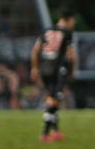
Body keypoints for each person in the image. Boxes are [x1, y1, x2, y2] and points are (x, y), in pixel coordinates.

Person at [30, 9, 77, 142]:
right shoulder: (67, 33)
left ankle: (56, 132)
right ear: (70, 19)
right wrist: (72, 71)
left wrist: (34, 67)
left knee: (52, 97)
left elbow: (35, 50)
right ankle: (44, 134)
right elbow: (71, 56)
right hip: (58, 69)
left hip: (44, 68)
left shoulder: (46, 30)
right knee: (54, 100)